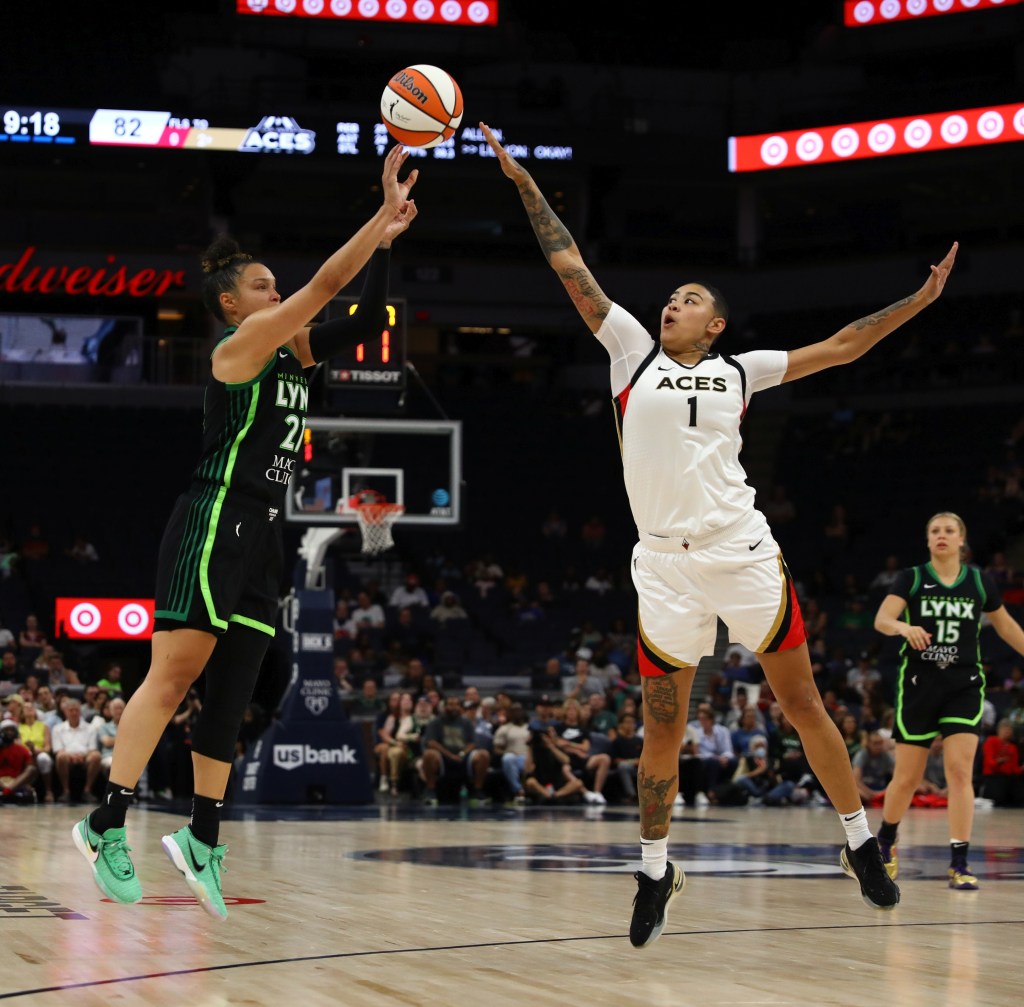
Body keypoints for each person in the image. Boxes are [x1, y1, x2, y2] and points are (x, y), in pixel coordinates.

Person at [479, 122, 959, 945]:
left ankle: (859, 844)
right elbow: (570, 266)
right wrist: (524, 181)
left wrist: (917, 302)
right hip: (663, 566)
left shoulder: (743, 370)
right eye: (672, 296)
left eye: (691, 299)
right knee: (660, 727)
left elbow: (844, 346)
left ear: (716, 326)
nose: (673, 302)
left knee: (802, 700)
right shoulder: (630, 351)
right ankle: (655, 870)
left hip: (743, 553)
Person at [71, 145, 419, 918]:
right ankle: (105, 821)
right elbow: (331, 285)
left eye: (277, 284)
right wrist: (379, 211)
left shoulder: (292, 351)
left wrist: (388, 245)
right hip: (214, 518)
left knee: (230, 697)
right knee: (176, 675)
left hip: (264, 534)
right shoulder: (241, 350)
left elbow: (362, 314)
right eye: (264, 285)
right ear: (233, 305)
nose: (281, 291)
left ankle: (201, 836)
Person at [873, 511, 1024, 891]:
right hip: (920, 684)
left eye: (949, 530)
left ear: (962, 540)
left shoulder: (978, 580)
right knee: (907, 778)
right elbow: (882, 620)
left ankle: (959, 862)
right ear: (928, 541)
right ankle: (886, 841)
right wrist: (903, 626)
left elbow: (1005, 626)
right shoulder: (911, 578)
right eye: (935, 531)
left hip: (964, 684)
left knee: (960, 772)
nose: (942, 536)